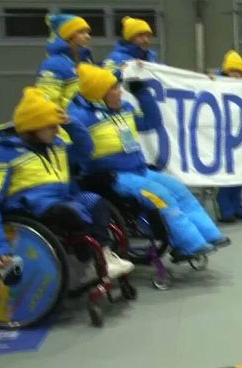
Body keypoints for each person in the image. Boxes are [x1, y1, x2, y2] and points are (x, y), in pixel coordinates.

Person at [67, 64, 229, 258]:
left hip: (138, 169)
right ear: (100, 94)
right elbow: (75, 154)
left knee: (180, 190)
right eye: (115, 89)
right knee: (161, 196)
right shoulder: (81, 118)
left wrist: (143, 94)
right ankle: (189, 244)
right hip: (113, 176)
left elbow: (151, 123)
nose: (120, 92)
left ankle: (209, 235)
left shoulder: (124, 108)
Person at [0, 88, 134, 279]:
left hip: (63, 199)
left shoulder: (56, 145)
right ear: (34, 127)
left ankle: (105, 257)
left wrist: (71, 123)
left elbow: (86, 150)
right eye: (52, 126)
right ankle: (90, 261)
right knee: (71, 214)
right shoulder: (3, 154)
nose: (57, 130)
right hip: (32, 209)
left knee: (97, 203)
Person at [213, 51, 242, 223]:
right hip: (223, 136)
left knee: (240, 174)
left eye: (239, 72)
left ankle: (238, 207)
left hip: (240, 135)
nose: (235, 75)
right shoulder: (214, 85)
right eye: (232, 71)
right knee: (226, 175)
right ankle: (225, 209)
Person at [36, 14, 93, 109]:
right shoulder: (54, 64)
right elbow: (48, 103)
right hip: (71, 121)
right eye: (81, 32)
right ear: (68, 36)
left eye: (87, 32)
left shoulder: (85, 60)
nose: (87, 36)